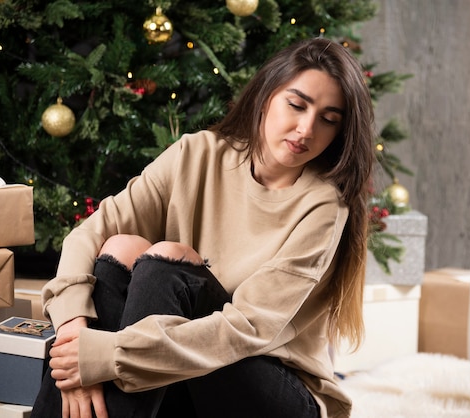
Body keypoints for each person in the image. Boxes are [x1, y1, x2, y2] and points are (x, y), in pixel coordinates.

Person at [32, 36, 375, 418]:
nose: (306, 129)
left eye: (328, 120)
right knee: (121, 245)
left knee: (168, 262)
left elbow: (245, 329)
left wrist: (108, 356)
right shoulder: (198, 153)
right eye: (296, 105)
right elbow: (88, 235)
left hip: (275, 390)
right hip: (183, 378)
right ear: (264, 97)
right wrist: (74, 336)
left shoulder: (325, 206)